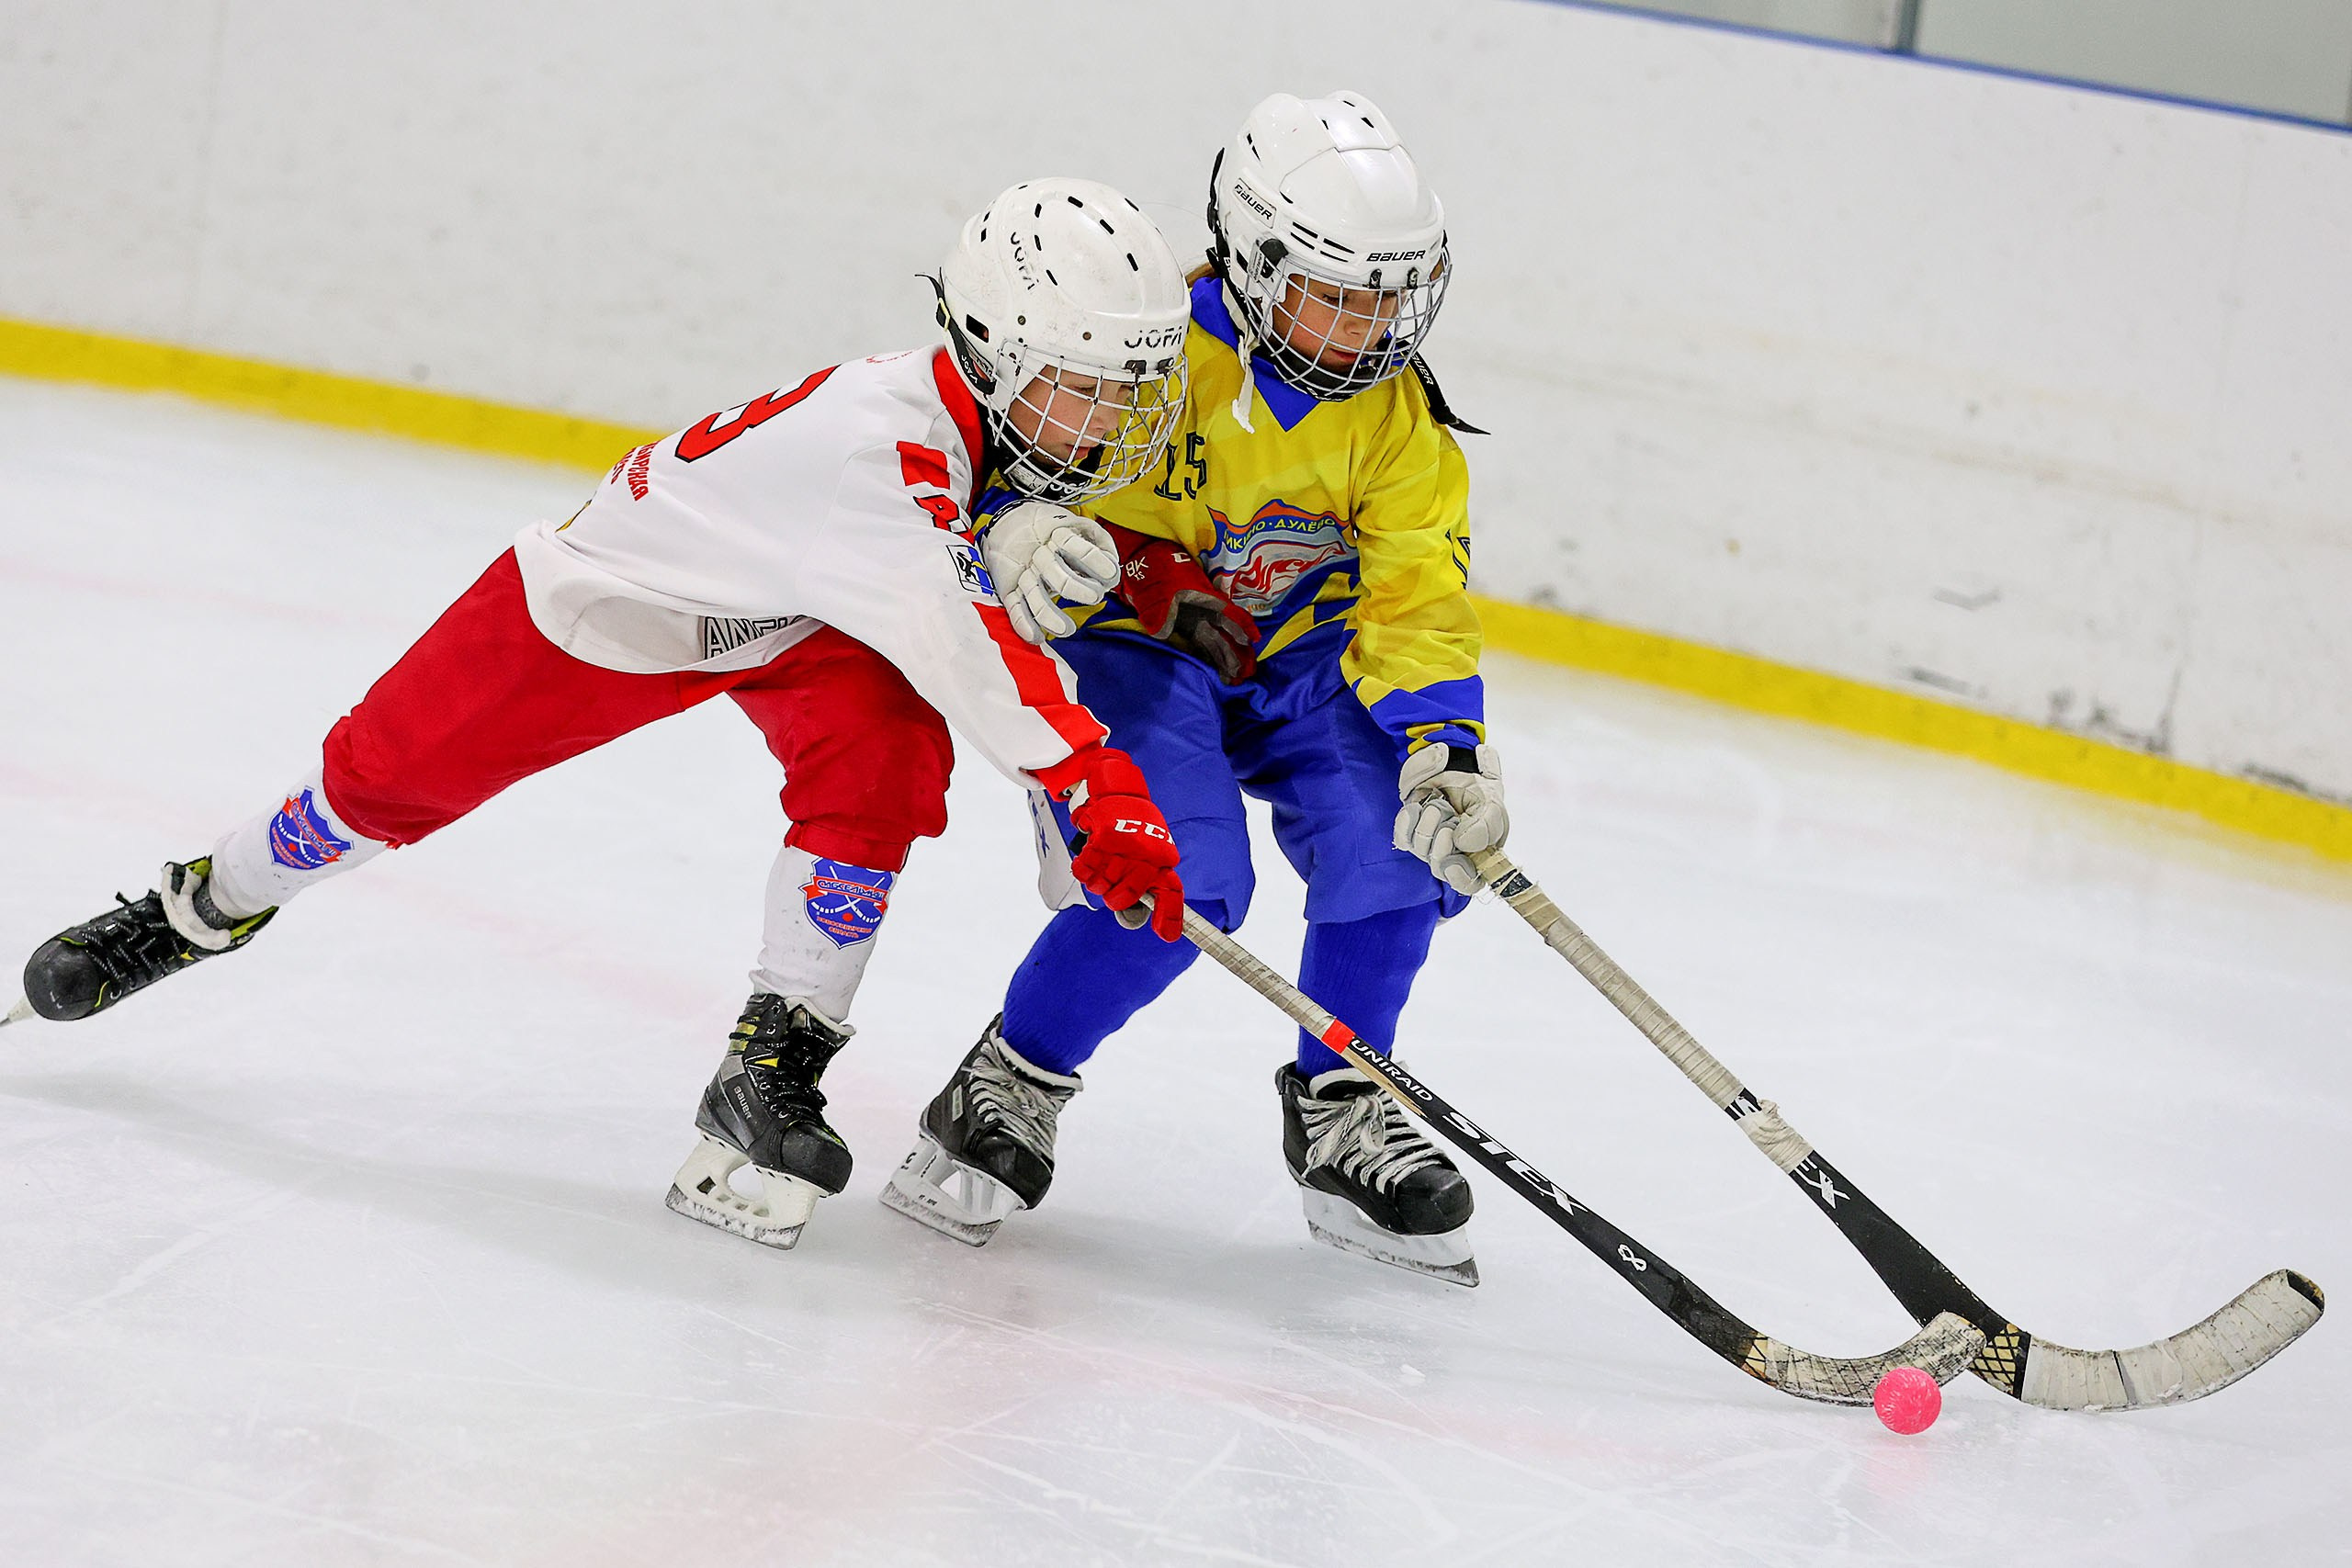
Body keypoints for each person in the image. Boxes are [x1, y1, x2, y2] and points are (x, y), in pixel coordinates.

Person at [8, 178, 1200, 1255]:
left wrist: (1076, 767)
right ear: (988, 356)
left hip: (792, 622)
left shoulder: (972, 433)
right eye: (1079, 390)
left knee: (882, 760)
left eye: (1125, 392)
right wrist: (1099, 791)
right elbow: (978, 654)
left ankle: (772, 1063)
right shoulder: (881, 463)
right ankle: (197, 905)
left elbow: (961, 621)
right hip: (606, 614)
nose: (1105, 424)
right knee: (366, 794)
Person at [882, 95, 1508, 1286]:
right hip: (1143, 658)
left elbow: (1419, 595)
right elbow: (1011, 468)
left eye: (1393, 291)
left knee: (1399, 849)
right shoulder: (1146, 346)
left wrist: (1447, 744)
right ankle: (1012, 1077)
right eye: (1339, 289)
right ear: (1259, 263)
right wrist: (1021, 531)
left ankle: (1341, 1107)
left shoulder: (1398, 411)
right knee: (1185, 879)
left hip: (1298, 671)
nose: (1374, 323)